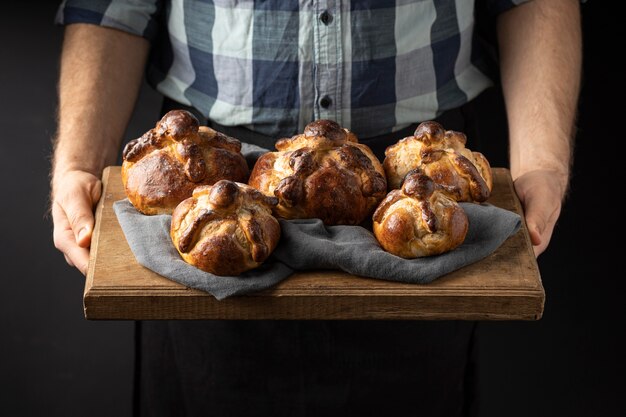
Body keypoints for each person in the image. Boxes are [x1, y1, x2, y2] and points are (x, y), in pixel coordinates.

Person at [50, 1, 582, 416]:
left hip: (419, 177)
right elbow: (110, 8)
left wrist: (543, 165)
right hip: (212, 174)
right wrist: (78, 163)